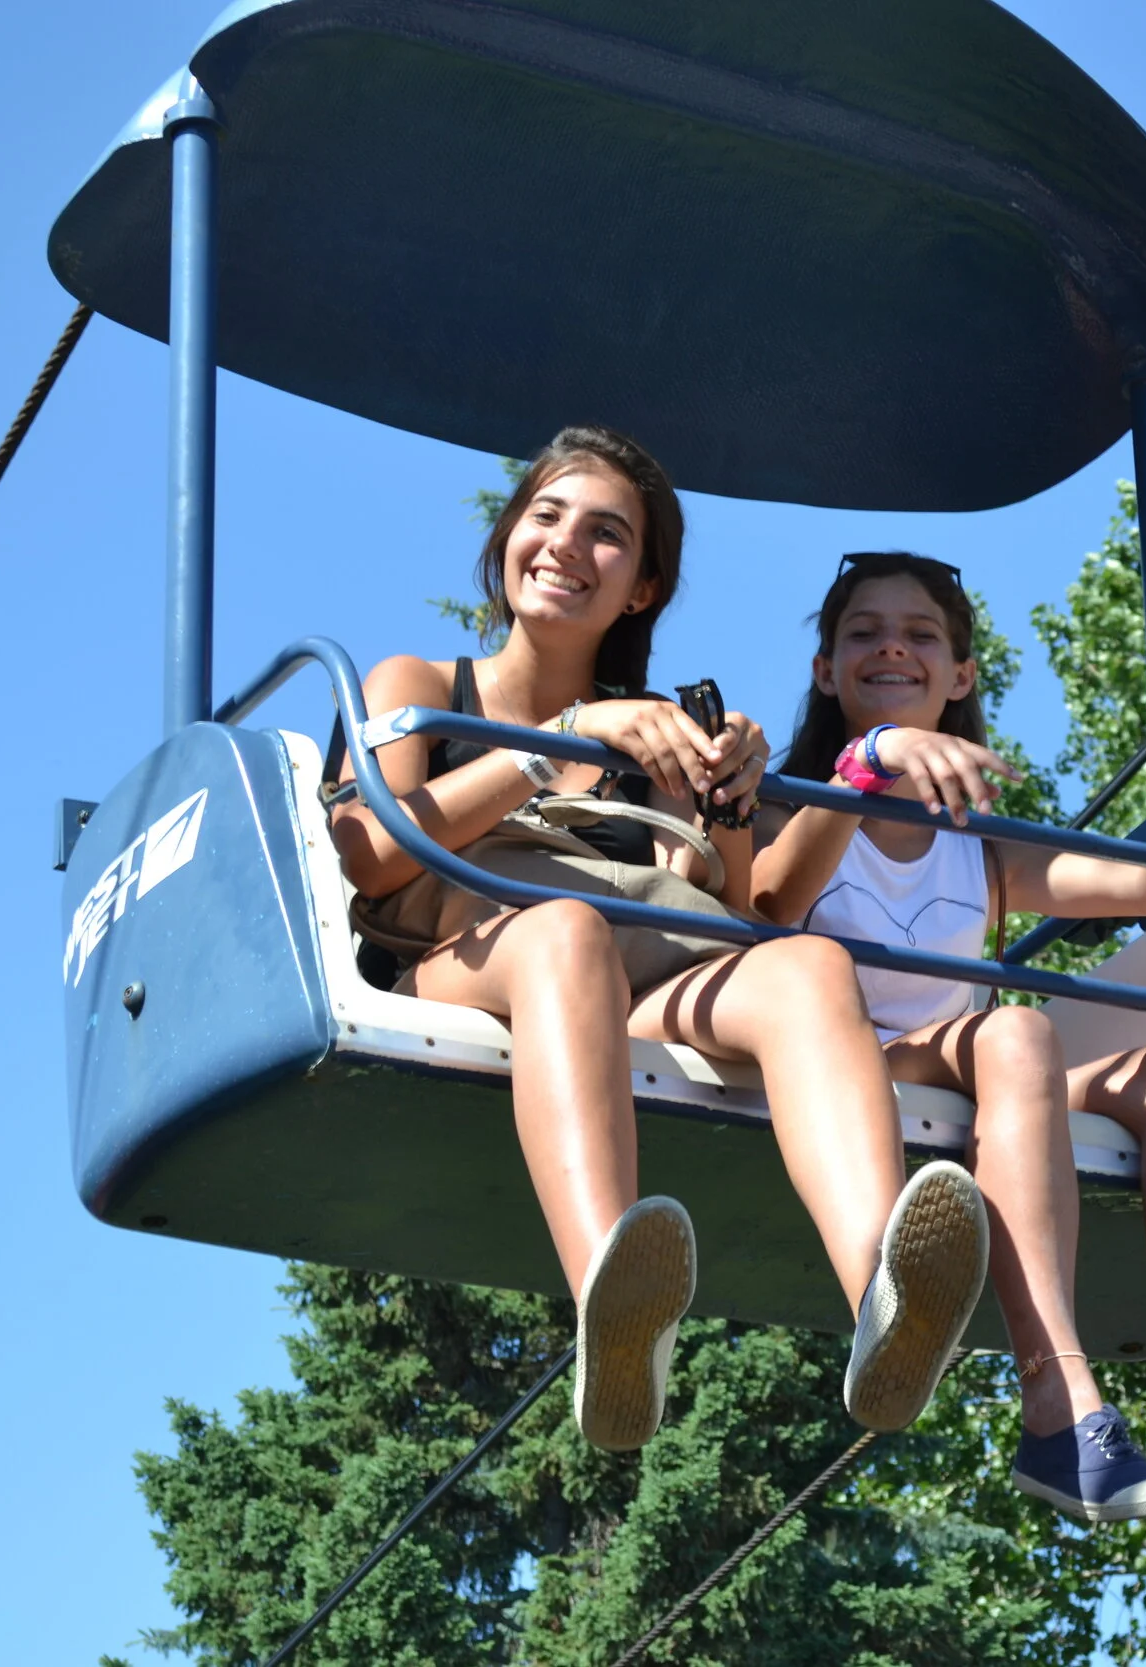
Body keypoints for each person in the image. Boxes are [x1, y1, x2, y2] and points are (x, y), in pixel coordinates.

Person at [328, 442, 986, 1454]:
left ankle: (883, 1295)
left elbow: (734, 910)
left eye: (606, 534)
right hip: (468, 954)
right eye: (548, 516)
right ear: (508, 537)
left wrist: (731, 797)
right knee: (566, 932)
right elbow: (371, 853)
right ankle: (612, 1302)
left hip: (631, 968)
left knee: (809, 965)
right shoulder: (421, 682)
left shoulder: (658, 733)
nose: (567, 545)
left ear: (641, 588)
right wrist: (560, 739)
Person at [749, 551, 1146, 1553]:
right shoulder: (790, 803)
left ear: (960, 674)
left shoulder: (979, 842)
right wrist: (872, 763)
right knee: (1016, 1027)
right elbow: (772, 897)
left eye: (920, 634)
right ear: (826, 670)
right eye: (864, 632)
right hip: (856, 1072)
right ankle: (1058, 1403)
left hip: (982, 1068)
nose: (892, 647)